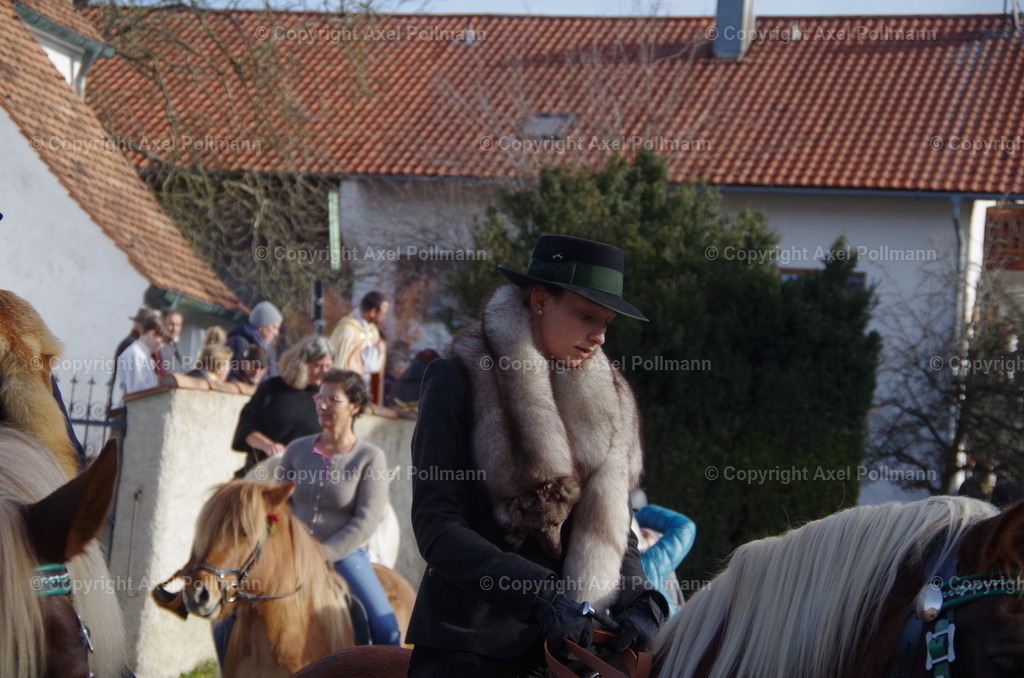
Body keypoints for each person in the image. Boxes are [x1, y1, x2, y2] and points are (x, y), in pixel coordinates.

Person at [408, 234, 668, 676]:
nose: (600, 335)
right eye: (587, 315)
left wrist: (643, 598)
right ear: (542, 300)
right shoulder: (457, 378)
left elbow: (612, 530)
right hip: (470, 646)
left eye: (607, 322)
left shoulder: (613, 403)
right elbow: (438, 527)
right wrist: (541, 595)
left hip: (576, 648)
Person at [278, 368, 402, 646]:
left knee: (386, 628)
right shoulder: (296, 450)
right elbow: (278, 505)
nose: (322, 405)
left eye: (333, 400)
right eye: (320, 398)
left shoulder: (370, 458)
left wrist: (324, 554)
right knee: (233, 612)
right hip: (292, 552)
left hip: (345, 556)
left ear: (354, 407)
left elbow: (367, 521)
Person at [230, 335, 332, 477]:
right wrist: (268, 445)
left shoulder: (331, 399)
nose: (324, 372)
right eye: (318, 366)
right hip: (264, 473)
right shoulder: (272, 389)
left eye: (328, 366)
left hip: (308, 478)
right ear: (301, 364)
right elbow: (246, 428)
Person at [330, 291, 390, 404]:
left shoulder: (372, 330)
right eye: (383, 313)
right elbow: (339, 363)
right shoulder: (347, 330)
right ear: (373, 312)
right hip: (348, 388)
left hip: (366, 389)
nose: (384, 317)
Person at [112, 315, 172, 408]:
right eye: (162, 341)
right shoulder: (135, 354)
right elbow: (136, 391)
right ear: (152, 334)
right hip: (129, 411)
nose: (162, 346)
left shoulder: (145, 355)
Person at [227, 300, 283, 381]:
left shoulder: (270, 349)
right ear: (261, 327)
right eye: (274, 327)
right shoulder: (239, 343)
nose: (276, 333)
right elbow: (234, 376)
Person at [158, 308, 186, 374]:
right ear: (162, 324)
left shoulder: (177, 346)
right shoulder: (157, 346)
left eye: (178, 325)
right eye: (171, 324)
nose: (174, 329)